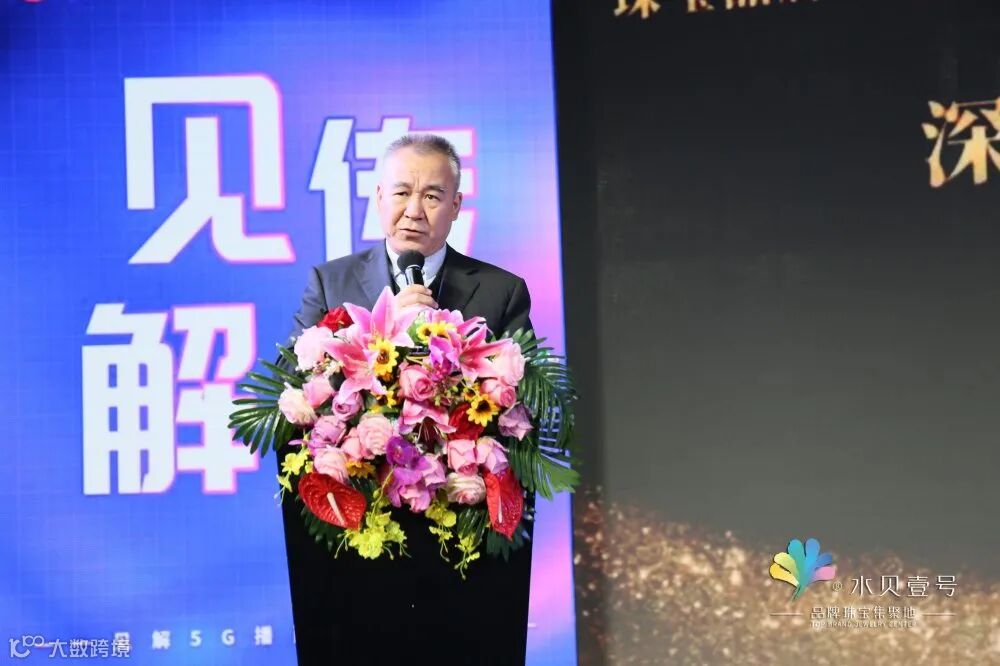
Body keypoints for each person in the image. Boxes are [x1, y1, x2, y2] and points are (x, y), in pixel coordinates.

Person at [277, 134, 537, 665]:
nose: (414, 210)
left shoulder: (500, 290)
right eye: (401, 192)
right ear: (378, 197)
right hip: (360, 537)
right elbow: (292, 393)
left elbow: (530, 403)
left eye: (432, 196)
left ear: (456, 206)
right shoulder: (331, 282)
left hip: (458, 540)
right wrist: (391, 327)